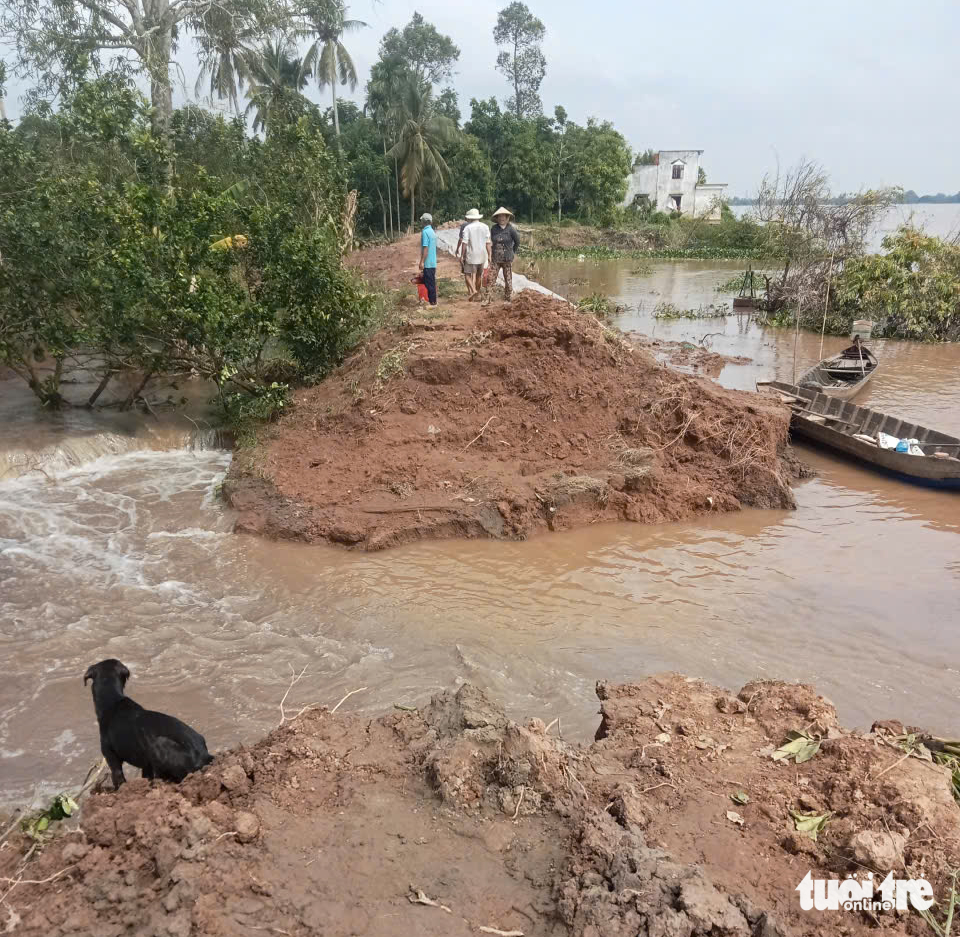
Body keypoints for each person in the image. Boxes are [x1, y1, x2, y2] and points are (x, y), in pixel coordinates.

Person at [489, 207, 520, 302]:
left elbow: (517, 242)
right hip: (496, 258)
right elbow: (491, 241)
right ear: (497, 219)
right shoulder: (494, 229)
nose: (502, 219)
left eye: (503, 218)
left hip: (507, 258)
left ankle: (508, 297)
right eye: (500, 218)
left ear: (507, 218)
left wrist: (512, 252)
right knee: (491, 278)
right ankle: (489, 297)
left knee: (508, 278)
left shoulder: (511, 229)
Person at [460, 208, 491, 299]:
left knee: (467, 274)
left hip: (471, 255)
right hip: (482, 255)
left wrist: (462, 255)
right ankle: (477, 295)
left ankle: (473, 290)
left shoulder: (467, 228)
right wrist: (489, 255)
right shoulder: (485, 227)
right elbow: (488, 242)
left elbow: (464, 243)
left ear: (469, 218)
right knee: (478, 275)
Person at [417, 213, 438, 306]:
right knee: (431, 282)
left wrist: (421, 262)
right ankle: (432, 301)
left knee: (429, 284)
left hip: (428, 262)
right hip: (433, 262)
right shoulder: (432, 232)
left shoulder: (425, 232)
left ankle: (432, 302)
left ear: (423, 222)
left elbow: (425, 248)